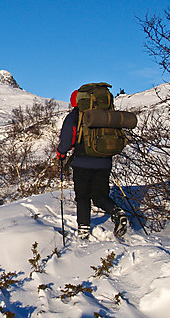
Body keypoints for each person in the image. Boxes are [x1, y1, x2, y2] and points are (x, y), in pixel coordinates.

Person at [56, 89, 128, 240]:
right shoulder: (104, 115)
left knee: (83, 196)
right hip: (104, 161)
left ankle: (83, 228)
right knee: (99, 194)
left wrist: (61, 153)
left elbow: (67, 139)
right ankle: (117, 212)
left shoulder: (75, 116)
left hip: (82, 162)